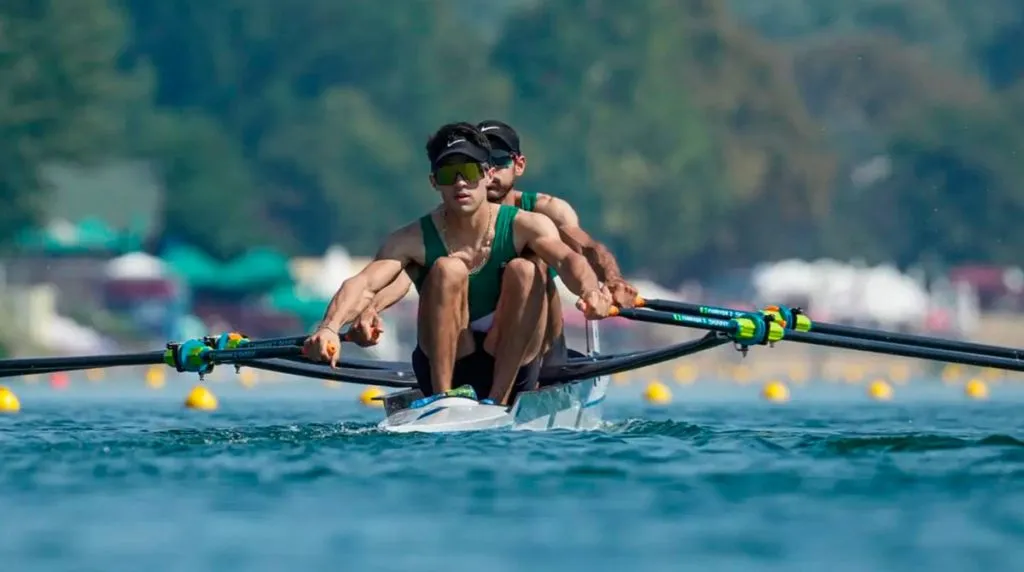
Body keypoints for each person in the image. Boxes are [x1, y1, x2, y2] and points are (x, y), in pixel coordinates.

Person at [303, 122, 613, 406]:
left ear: (487, 174)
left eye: (469, 171)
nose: (461, 183)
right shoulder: (411, 239)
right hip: (448, 362)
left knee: (525, 270)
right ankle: (442, 397)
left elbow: (568, 259)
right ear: (434, 182)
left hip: (512, 364)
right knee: (446, 268)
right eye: (449, 175)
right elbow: (363, 283)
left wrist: (591, 291)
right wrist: (329, 328)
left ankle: (497, 399)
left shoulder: (528, 225)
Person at [348, 119, 638, 366]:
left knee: (532, 264)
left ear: (519, 165)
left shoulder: (545, 211)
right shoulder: (442, 221)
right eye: (478, 162)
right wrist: (371, 309)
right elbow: (404, 274)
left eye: (499, 161)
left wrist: (611, 283)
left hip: (535, 343)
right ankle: (451, 380)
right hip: (467, 344)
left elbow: (584, 252)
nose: (490, 171)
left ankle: (534, 370)